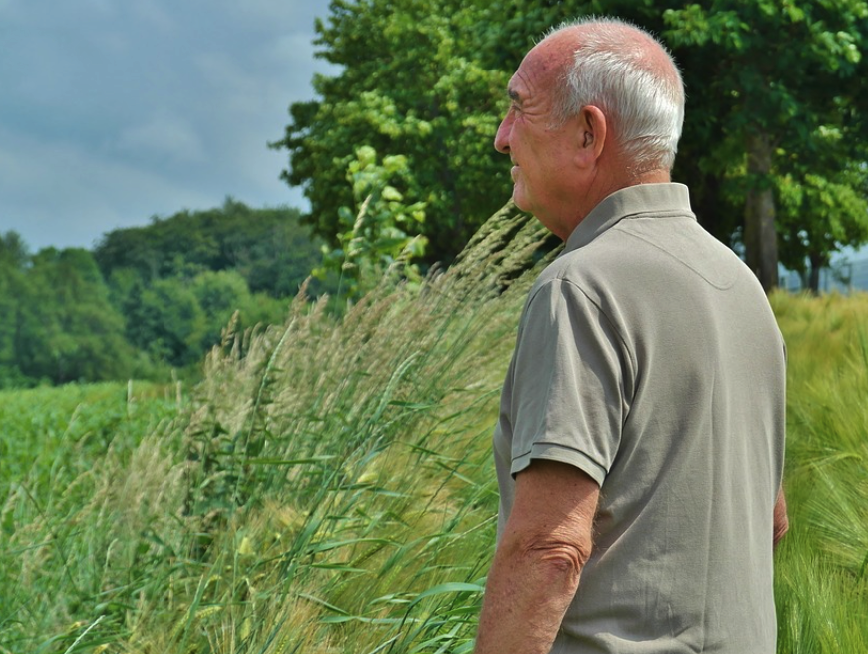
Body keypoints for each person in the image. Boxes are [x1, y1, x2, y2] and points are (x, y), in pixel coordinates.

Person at [475, 17, 788, 654]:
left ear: (588, 133)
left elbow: (550, 549)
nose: (502, 138)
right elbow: (771, 520)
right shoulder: (741, 284)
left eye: (518, 110)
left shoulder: (581, 287)